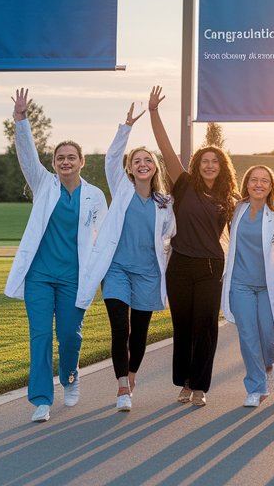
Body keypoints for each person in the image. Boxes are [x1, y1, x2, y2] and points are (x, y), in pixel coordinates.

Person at [4, 88, 109, 423]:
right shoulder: (43, 184)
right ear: (53, 164)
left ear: (81, 162)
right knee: (40, 336)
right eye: (60, 157)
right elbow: (26, 155)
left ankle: (71, 377)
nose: (66, 161)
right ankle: (41, 400)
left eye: (71, 157)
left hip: (73, 277)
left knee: (69, 336)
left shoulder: (94, 197)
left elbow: (102, 239)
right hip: (39, 276)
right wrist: (21, 120)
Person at [150, 86, 238, 407]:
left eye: (215, 161)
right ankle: (184, 382)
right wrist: (154, 112)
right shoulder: (184, 184)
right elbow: (164, 147)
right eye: (205, 160)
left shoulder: (230, 199)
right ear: (197, 164)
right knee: (183, 328)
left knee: (206, 327)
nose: (209, 165)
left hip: (211, 268)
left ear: (222, 166)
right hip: (180, 266)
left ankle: (200, 386)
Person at [98, 101, 177, 412]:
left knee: (140, 332)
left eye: (147, 160)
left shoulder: (165, 202)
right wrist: (126, 128)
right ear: (130, 168)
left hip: (148, 273)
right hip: (117, 270)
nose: (142, 163)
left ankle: (131, 375)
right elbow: (111, 158)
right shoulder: (121, 190)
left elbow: (170, 238)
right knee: (121, 328)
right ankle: (121, 388)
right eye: (136, 160)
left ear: (154, 166)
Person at [222, 165, 274, 407]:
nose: (258, 184)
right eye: (253, 180)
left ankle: (268, 364)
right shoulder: (236, 209)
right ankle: (255, 387)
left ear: (271, 187)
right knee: (248, 335)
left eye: (264, 181)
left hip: (267, 286)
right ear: (246, 184)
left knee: (268, 335)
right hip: (240, 283)